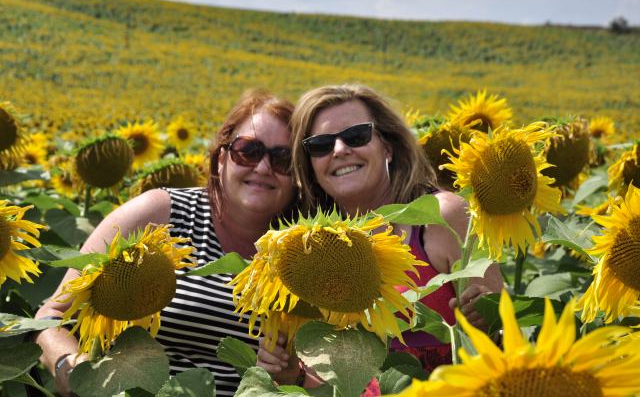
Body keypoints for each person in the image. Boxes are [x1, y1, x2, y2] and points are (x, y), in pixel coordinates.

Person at [34, 89, 297, 397]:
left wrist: (289, 376)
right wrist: (71, 368)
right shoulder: (161, 212)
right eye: (248, 151)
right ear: (221, 157)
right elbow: (52, 314)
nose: (263, 167)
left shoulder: (302, 251)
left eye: (283, 159)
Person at [256, 84, 503, 388]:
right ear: (310, 165)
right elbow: (339, 387)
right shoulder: (309, 254)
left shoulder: (441, 218)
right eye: (320, 145)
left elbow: (498, 333)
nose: (339, 150)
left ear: (388, 146)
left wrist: (489, 313)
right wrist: (291, 374)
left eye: (356, 136)